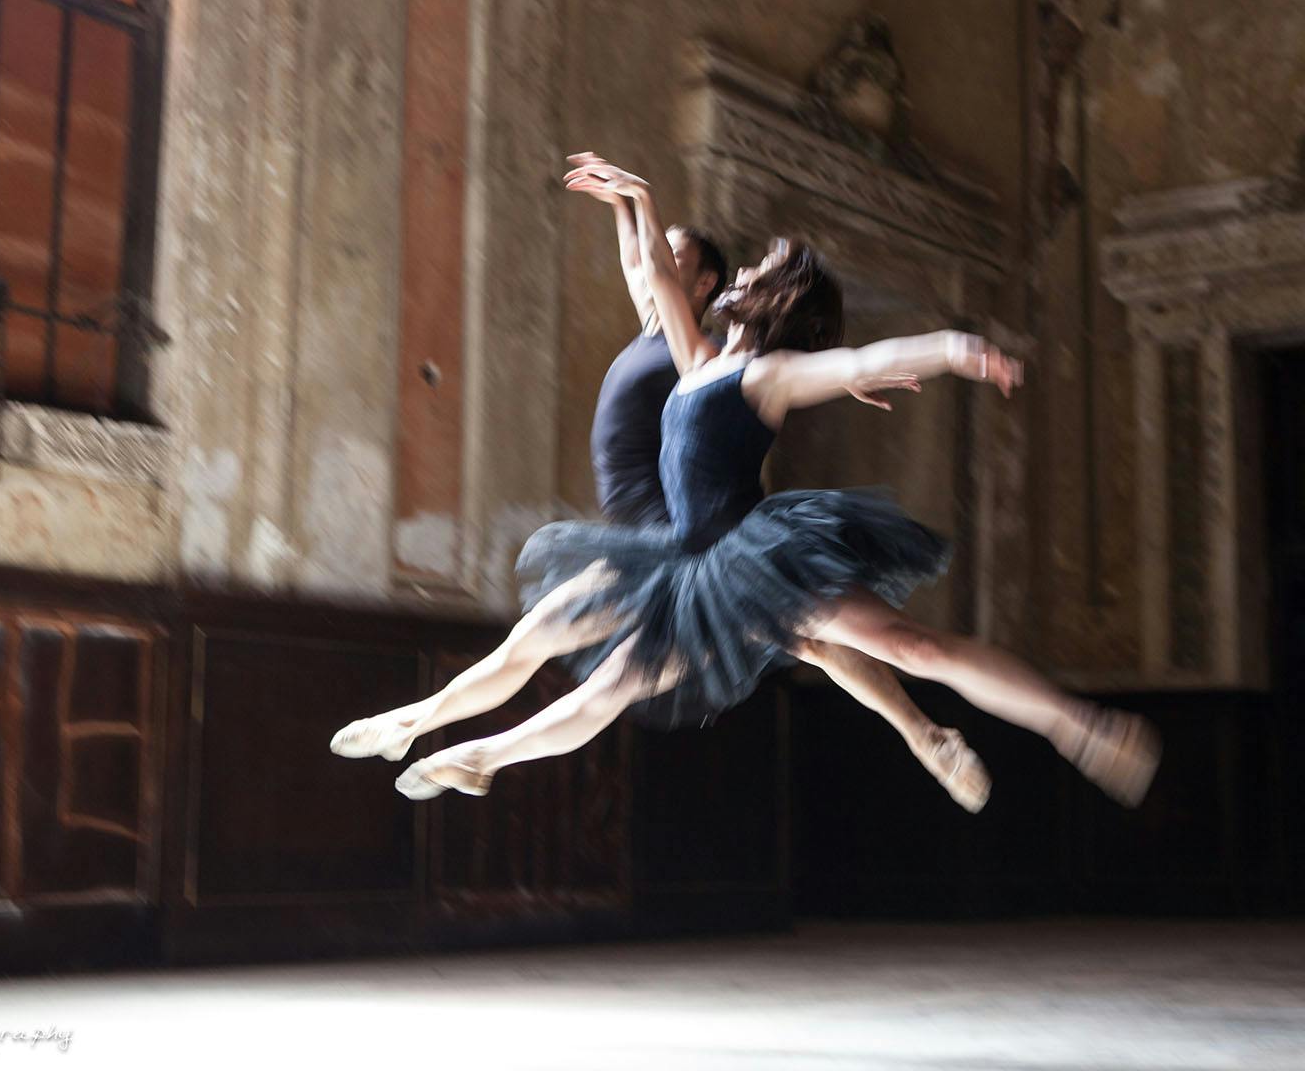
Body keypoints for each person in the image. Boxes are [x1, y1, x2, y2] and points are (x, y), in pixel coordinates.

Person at [332, 177, 991, 810]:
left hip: (694, 538)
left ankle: (925, 735)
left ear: (704, 283)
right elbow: (643, 263)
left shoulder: (705, 356)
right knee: (540, 643)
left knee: (795, 640)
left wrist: (864, 369)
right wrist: (630, 202)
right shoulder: (669, 334)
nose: (662, 268)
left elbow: (784, 362)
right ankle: (416, 726)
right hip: (651, 542)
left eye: (684, 260)